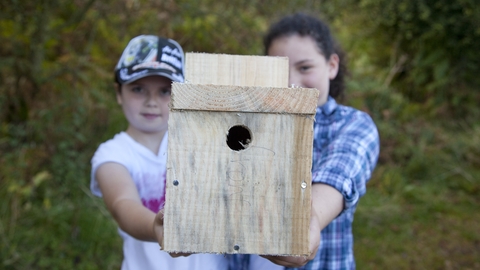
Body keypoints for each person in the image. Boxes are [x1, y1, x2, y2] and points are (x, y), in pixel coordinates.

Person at [230, 13, 380, 270]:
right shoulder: (246, 121)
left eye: (305, 68)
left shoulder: (353, 124)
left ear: (332, 65)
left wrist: (310, 220)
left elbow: (339, 175)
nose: (290, 82)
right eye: (279, 68)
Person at [90, 35, 229, 270]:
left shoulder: (202, 142)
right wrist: (156, 227)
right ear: (118, 92)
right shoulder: (113, 154)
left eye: (165, 91)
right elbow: (123, 205)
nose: (152, 101)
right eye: (138, 89)